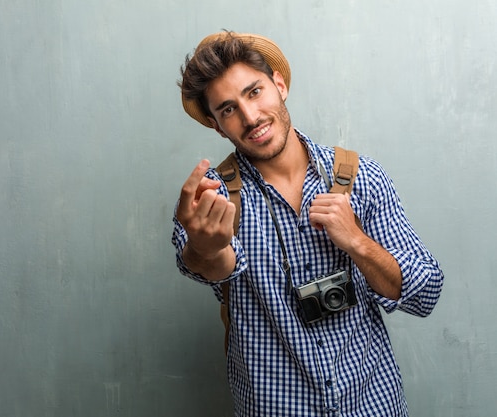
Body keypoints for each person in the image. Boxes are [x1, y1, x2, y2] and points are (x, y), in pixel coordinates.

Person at [171, 31, 444, 417]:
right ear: (217, 126)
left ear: (279, 85)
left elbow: (425, 294)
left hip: (371, 403)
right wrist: (205, 247)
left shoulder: (362, 177)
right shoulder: (211, 199)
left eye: (254, 92)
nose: (250, 117)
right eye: (228, 109)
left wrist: (357, 242)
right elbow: (209, 265)